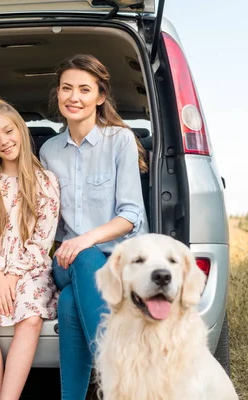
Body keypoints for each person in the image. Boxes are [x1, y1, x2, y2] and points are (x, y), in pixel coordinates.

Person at [39, 54, 149, 400]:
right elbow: (50, 223)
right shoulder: (49, 150)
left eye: (84, 90)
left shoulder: (120, 140)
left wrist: (86, 238)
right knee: (83, 260)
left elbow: (131, 215)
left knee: (72, 301)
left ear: (100, 96)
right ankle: (116, 375)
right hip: (69, 259)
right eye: (67, 88)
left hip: (118, 261)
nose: (74, 97)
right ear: (57, 94)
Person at [0, 99, 60, 400]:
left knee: (30, 318)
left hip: (30, 267)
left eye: (8, 131)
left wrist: (14, 274)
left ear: (20, 128)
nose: (4, 141)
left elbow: (44, 239)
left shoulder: (46, 180)